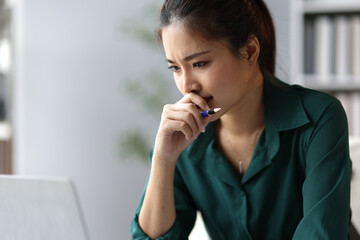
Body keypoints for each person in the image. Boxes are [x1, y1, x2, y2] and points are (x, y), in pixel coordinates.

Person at [130, 0, 352, 239]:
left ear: (249, 52)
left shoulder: (318, 118)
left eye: (199, 63)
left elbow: (322, 234)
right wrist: (163, 158)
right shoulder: (184, 138)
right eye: (175, 68)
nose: (186, 86)